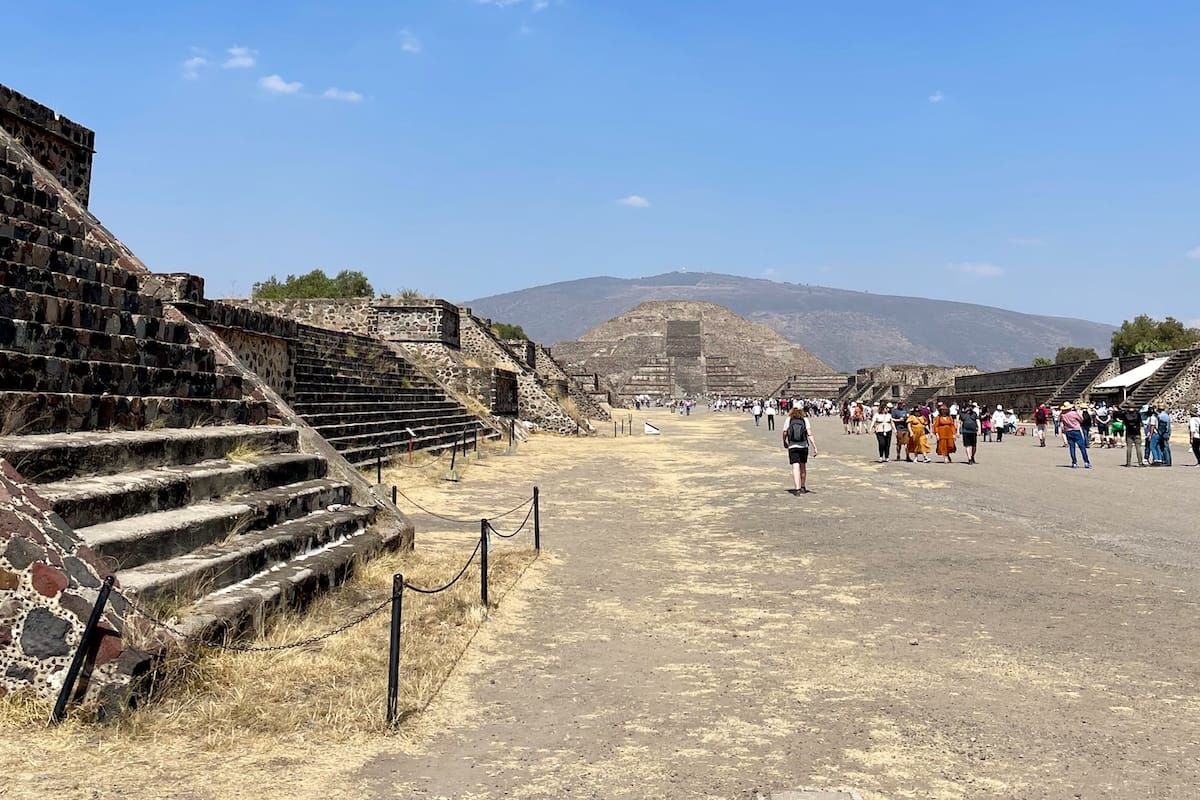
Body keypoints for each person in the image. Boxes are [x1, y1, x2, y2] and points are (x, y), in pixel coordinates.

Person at [783, 406, 816, 494]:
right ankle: (802, 486)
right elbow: (809, 434)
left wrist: (784, 441)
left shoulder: (789, 419)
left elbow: (785, 432)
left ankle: (797, 488)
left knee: (795, 467)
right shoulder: (805, 420)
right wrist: (814, 447)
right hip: (803, 445)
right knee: (803, 467)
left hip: (792, 446)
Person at [1060, 401, 1091, 469]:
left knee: (1072, 448)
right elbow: (1081, 419)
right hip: (1076, 430)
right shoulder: (1074, 413)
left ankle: (1074, 462)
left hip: (1068, 431)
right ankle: (1086, 462)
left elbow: (1062, 422)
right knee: (1082, 447)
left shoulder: (1063, 415)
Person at [1118, 402, 1144, 467]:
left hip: (1129, 432)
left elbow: (1123, 422)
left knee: (1129, 448)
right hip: (1137, 432)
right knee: (1138, 448)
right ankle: (1140, 462)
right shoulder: (1138, 414)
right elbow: (1140, 422)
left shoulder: (1125, 414)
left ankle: (1128, 463)